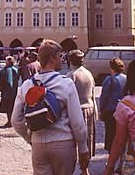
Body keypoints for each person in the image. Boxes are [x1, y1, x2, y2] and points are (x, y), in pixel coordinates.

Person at [12, 39, 90, 175]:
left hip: (38, 145)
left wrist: (29, 137)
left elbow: (16, 120)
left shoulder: (27, 85)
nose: (63, 59)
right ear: (52, 59)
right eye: (60, 56)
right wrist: (83, 148)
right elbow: (77, 122)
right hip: (63, 142)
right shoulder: (66, 83)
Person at [66, 49, 97, 159]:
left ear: (70, 61)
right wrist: (96, 113)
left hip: (78, 110)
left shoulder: (71, 75)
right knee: (88, 138)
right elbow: (93, 94)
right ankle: (86, 164)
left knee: (76, 139)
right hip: (90, 107)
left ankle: (79, 162)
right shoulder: (88, 73)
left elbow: (67, 96)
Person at [99, 57, 128, 153]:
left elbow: (104, 96)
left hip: (111, 111)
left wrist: (101, 109)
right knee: (122, 135)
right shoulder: (126, 78)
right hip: (123, 110)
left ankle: (111, 157)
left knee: (111, 135)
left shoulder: (109, 79)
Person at [0, 56, 19, 127]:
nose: (5, 62)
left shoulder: (7, 70)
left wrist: (1, 88)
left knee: (8, 108)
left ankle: (10, 121)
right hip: (14, 91)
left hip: (7, 92)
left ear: (9, 62)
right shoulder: (15, 69)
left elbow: (9, 82)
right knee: (12, 107)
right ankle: (11, 121)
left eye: (6, 61)